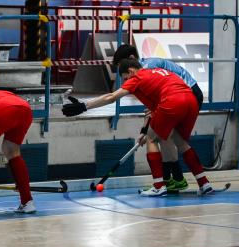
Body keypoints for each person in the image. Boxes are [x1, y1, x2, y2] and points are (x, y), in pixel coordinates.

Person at [62, 58, 214, 196]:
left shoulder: (137, 77)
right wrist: (144, 131)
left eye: (125, 78)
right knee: (180, 142)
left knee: (151, 140)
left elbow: (111, 97)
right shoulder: (159, 73)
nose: (125, 82)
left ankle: (159, 186)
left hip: (172, 101)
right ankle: (204, 183)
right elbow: (153, 111)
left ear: (131, 71)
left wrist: (84, 106)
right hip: (191, 101)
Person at [112, 44, 205, 192]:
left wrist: (146, 131)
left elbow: (153, 106)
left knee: (164, 136)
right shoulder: (143, 67)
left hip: (185, 93)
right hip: (182, 96)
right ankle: (173, 180)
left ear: (130, 59)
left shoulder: (146, 69)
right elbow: (152, 105)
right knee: (165, 136)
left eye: (121, 66)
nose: (121, 72)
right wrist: (145, 129)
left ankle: (168, 181)